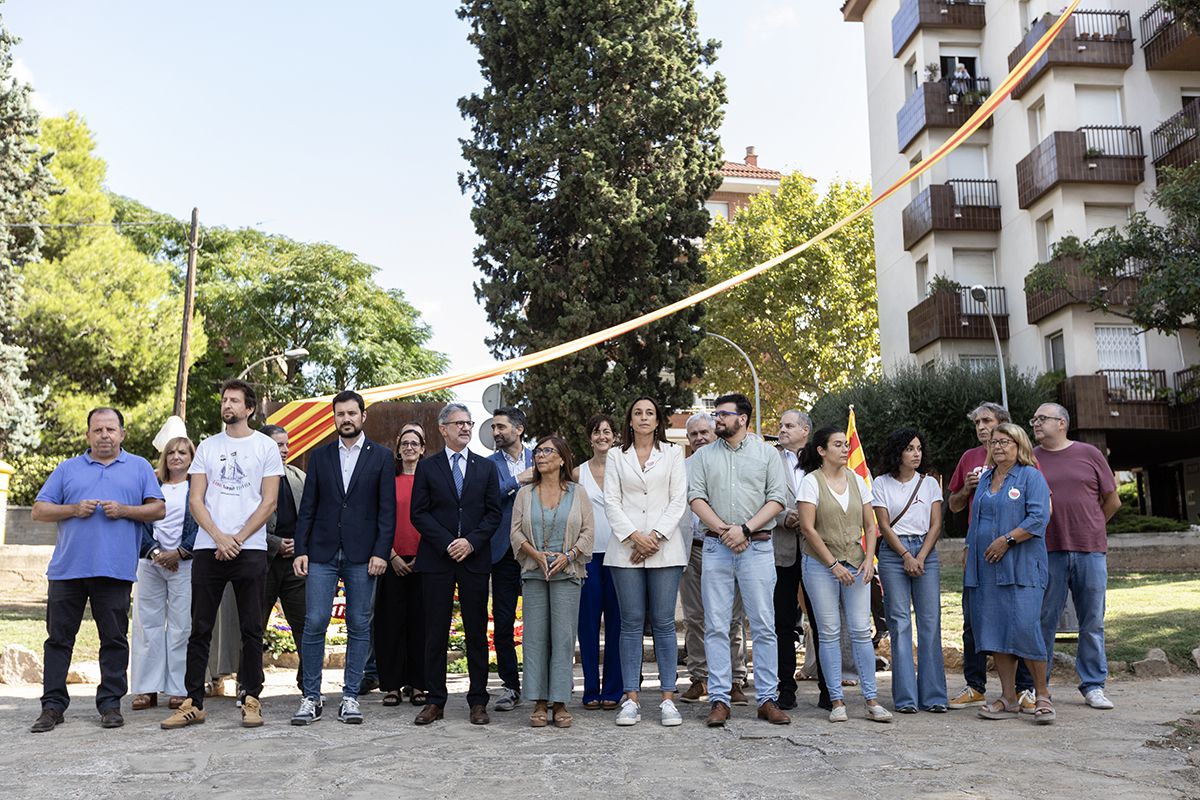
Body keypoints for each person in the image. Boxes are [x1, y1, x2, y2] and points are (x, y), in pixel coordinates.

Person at [30, 408, 165, 733]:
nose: (104, 435)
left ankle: (109, 705)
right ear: (88, 435)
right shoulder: (68, 469)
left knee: (114, 639)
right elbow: (38, 510)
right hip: (67, 571)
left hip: (115, 570)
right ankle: (52, 707)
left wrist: (126, 510)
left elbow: (158, 508)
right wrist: (73, 509)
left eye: (110, 429)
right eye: (98, 430)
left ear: (121, 434)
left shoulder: (139, 467)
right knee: (59, 640)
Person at [161, 379, 283, 730]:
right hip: (207, 548)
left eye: (234, 400)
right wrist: (218, 537)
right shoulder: (208, 448)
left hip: (251, 549)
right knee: (200, 627)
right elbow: (195, 500)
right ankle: (193, 702)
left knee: (250, 628)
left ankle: (251, 698)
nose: (227, 405)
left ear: (249, 409)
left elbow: (269, 500)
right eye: (224, 400)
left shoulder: (264, 447)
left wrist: (239, 539)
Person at [289, 390, 395, 726]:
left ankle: (350, 696)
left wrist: (381, 552)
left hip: (363, 556)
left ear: (363, 416)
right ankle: (311, 697)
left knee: (359, 624)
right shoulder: (319, 458)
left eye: (351, 413)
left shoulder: (380, 457)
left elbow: (386, 511)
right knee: (315, 621)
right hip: (321, 551)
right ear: (333, 418)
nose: (345, 419)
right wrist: (302, 550)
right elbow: (308, 508)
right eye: (340, 414)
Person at [688, 394, 792, 727]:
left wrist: (745, 529)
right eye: (716, 413)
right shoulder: (703, 456)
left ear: (743, 419)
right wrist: (724, 530)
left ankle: (767, 699)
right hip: (717, 547)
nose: (716, 419)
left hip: (758, 548)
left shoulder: (767, 454)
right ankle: (719, 699)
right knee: (716, 625)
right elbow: (696, 498)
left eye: (723, 414)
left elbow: (776, 499)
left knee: (763, 625)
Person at [410, 403, 502, 726]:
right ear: (442, 429)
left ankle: (478, 700)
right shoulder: (428, 467)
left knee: (477, 632)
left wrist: (471, 542)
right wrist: (448, 542)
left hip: (474, 559)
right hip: (438, 559)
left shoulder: (485, 468)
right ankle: (435, 700)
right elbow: (418, 513)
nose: (465, 427)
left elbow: (494, 513)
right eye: (458, 423)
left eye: (468, 422)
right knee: (435, 631)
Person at [797, 425, 892, 724]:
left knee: (861, 632)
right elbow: (808, 528)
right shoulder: (810, 483)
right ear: (822, 451)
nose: (844, 449)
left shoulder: (858, 480)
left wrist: (868, 560)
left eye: (845, 444)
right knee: (829, 632)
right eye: (837, 444)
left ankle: (872, 700)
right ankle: (836, 700)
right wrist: (832, 565)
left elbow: (871, 525)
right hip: (819, 565)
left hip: (855, 562)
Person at [603, 396, 688, 727]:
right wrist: (635, 537)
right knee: (631, 622)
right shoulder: (615, 455)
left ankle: (668, 698)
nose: (643, 417)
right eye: (637, 412)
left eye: (649, 413)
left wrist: (654, 537)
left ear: (657, 421)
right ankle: (631, 699)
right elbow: (612, 501)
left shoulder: (673, 454)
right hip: (626, 549)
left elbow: (678, 499)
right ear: (630, 419)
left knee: (665, 623)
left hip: (664, 549)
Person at [946, 402, 1036, 712]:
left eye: (988, 421)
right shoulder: (969, 459)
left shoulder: (1025, 463)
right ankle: (975, 686)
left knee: (1017, 619)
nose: (982, 428)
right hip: (978, 552)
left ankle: (1026, 690)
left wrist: (1011, 539)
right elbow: (955, 505)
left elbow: (1038, 508)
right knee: (974, 621)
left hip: (1016, 552)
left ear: (1004, 426)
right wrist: (966, 489)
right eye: (978, 423)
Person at [1032, 402, 1121, 710]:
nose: (1036, 423)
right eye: (1034, 419)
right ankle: (1039, 688)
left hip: (1090, 551)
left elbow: (1112, 500)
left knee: (1092, 620)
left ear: (1062, 424)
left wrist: (1093, 526)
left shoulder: (1090, 454)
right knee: (1044, 621)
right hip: (1048, 551)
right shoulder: (1031, 458)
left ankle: (1094, 685)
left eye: (1043, 418)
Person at [965, 423, 1055, 724]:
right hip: (987, 570)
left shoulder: (1032, 477)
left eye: (1005, 441)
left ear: (1019, 446)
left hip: (1022, 568)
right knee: (995, 631)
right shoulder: (986, 478)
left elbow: (1039, 518)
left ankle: (1042, 695)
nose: (999, 446)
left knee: (1026, 629)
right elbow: (976, 522)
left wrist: (1007, 540)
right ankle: (1008, 697)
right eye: (994, 442)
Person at [511, 435, 595, 728]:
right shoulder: (525, 494)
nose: (540, 455)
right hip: (534, 574)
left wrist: (568, 556)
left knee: (562, 638)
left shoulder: (578, 493)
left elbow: (587, 533)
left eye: (548, 451)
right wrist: (535, 555)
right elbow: (516, 533)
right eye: (538, 451)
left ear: (562, 458)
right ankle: (538, 701)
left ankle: (559, 702)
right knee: (534, 637)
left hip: (568, 573)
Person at [872, 428, 948, 713]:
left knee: (930, 623)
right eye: (910, 449)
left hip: (925, 550)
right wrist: (905, 555)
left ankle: (935, 696)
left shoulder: (929, 484)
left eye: (919, 448)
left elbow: (936, 524)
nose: (916, 453)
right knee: (899, 623)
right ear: (897, 452)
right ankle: (905, 698)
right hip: (893, 554)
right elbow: (883, 525)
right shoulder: (880, 483)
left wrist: (921, 556)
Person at [677, 412, 749, 707]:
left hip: (728, 546)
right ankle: (700, 677)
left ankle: (734, 680)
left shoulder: (731, 462)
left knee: (731, 617)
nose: (699, 438)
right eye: (693, 434)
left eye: (704, 432)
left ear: (715, 431)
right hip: (692, 548)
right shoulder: (681, 468)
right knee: (695, 617)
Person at [131, 436, 197, 712]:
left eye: (182, 452)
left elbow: (205, 522)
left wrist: (180, 552)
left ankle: (178, 688)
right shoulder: (151, 485)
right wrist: (156, 553)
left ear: (191, 458)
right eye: (171, 452)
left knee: (181, 626)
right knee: (147, 624)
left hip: (184, 564)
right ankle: (146, 688)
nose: (176, 457)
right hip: (150, 563)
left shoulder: (198, 488)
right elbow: (141, 520)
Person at [773, 409, 832, 712]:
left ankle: (829, 688)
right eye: (781, 425)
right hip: (781, 551)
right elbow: (761, 497)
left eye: (788, 425)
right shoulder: (769, 460)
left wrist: (809, 519)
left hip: (816, 551)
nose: (781, 430)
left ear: (805, 430)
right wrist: (785, 517)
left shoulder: (822, 461)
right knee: (782, 622)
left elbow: (834, 497)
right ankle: (785, 689)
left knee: (822, 621)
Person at [376, 427, 429, 708]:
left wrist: (423, 555)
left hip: (424, 560)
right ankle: (392, 685)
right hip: (391, 559)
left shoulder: (431, 479)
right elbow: (378, 519)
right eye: (404, 444)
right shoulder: (388, 481)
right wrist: (392, 555)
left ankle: (419, 683)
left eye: (414, 443)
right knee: (390, 625)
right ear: (398, 450)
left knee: (420, 625)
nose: (409, 448)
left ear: (422, 448)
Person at [487, 406, 534, 712]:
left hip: (537, 552)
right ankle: (509, 685)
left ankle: (541, 683)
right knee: (503, 623)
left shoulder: (541, 456)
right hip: (503, 553)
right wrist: (518, 479)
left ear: (518, 429)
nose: (496, 432)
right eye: (494, 428)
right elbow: (488, 498)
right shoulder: (487, 465)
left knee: (541, 621)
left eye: (501, 427)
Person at [575, 413, 623, 710]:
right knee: (588, 624)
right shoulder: (578, 473)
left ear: (615, 436)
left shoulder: (626, 468)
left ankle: (614, 689)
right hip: (589, 557)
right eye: (596, 432)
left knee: (619, 624)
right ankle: (591, 688)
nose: (602, 436)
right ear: (589, 438)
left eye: (607, 431)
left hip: (621, 555)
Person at [258, 424, 307, 695]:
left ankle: (308, 683)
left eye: (286, 444)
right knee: (253, 627)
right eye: (279, 445)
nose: (286, 449)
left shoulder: (299, 477)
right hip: (261, 564)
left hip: (295, 565)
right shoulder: (250, 479)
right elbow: (241, 520)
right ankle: (251, 686)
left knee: (305, 625)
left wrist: (299, 545)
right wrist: (275, 544)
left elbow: (312, 517)